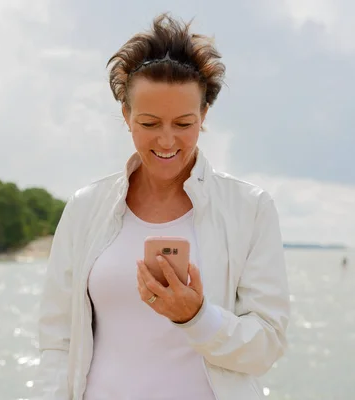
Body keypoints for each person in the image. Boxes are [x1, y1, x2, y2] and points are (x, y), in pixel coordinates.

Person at [36, 13, 290, 400]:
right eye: (150, 123)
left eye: (184, 123)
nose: (167, 141)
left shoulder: (250, 208)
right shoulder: (85, 207)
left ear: (204, 116)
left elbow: (267, 346)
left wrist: (196, 317)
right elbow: (57, 341)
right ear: (126, 116)